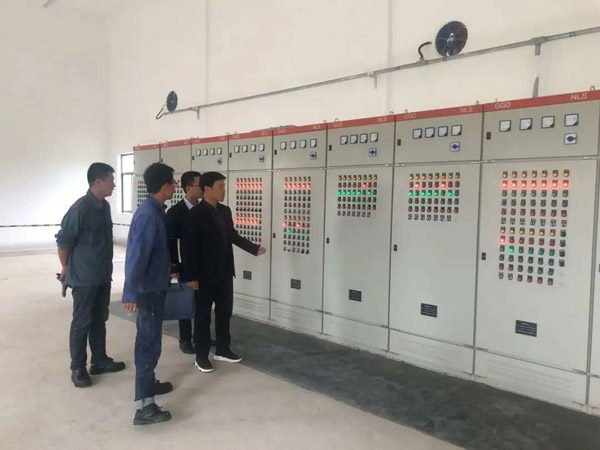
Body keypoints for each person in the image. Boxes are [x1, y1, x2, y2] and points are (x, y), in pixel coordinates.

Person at [181, 171, 266, 374]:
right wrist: (191, 276)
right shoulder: (195, 214)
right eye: (220, 187)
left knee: (224, 312)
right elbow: (188, 248)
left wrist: (253, 248)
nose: (224, 190)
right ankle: (201, 356)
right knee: (202, 316)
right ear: (207, 189)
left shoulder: (225, 211)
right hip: (204, 275)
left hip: (225, 271)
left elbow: (232, 236)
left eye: (224, 186)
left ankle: (223, 349)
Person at [56, 163, 125, 388]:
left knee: (99, 319)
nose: (114, 184)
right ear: (98, 181)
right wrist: (65, 267)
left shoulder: (104, 206)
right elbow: (64, 242)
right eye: (111, 180)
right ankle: (78, 368)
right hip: (84, 278)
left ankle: (99, 360)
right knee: (82, 322)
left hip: (102, 275)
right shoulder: (79, 209)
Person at [122, 162, 175, 426]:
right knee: (147, 344)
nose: (175, 187)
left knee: (151, 342)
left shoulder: (155, 212)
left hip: (155, 288)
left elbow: (153, 253)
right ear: (165, 186)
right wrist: (130, 292)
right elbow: (136, 257)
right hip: (147, 292)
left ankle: (149, 384)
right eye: (173, 183)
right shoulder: (148, 216)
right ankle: (143, 406)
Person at [165, 171, 202, 354]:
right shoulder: (175, 212)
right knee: (185, 300)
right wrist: (174, 266)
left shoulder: (204, 209)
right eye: (199, 185)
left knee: (202, 301)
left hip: (202, 263)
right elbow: (171, 242)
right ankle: (185, 339)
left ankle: (200, 335)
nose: (203, 189)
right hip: (184, 264)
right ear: (188, 188)